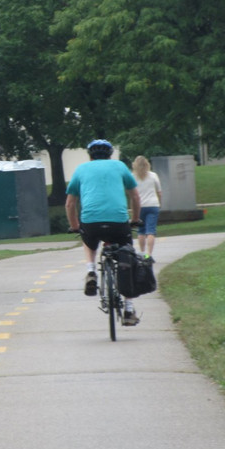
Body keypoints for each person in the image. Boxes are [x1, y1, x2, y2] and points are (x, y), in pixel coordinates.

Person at [65, 139, 141, 325]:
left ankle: (91, 271)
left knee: (89, 241)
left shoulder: (81, 169)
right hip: (118, 221)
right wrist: (135, 219)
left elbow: (70, 203)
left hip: (91, 221)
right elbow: (135, 196)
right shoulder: (120, 166)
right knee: (127, 260)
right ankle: (129, 311)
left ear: (90, 155)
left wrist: (75, 226)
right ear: (110, 154)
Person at [132, 155, 162, 259]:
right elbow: (159, 192)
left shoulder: (133, 177)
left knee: (141, 231)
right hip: (153, 205)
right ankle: (149, 254)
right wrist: (160, 203)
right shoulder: (153, 176)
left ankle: (142, 252)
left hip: (140, 206)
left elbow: (131, 194)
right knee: (151, 231)